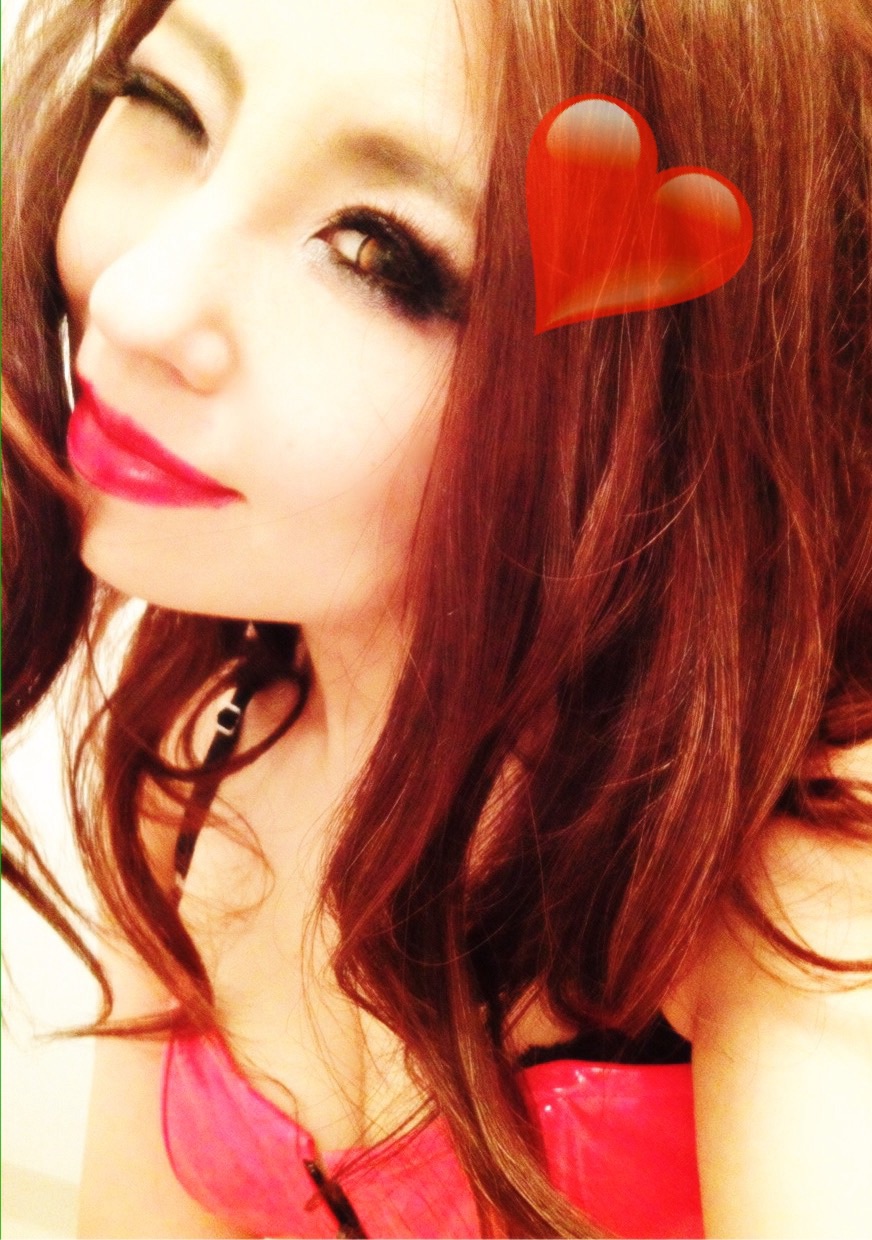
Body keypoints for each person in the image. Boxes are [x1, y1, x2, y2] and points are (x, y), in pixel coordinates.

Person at [3, 0, 871, 1236]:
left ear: (658, 396)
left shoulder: (793, 886)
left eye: (375, 250)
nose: (138, 299)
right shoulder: (200, 757)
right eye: (169, 104)